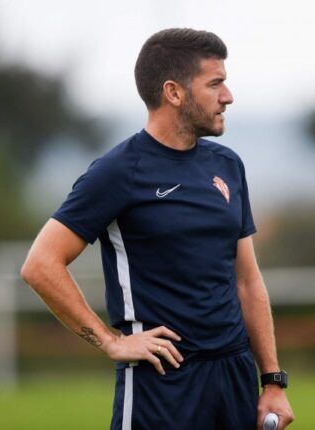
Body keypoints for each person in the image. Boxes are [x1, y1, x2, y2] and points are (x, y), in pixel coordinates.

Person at [20, 28, 294, 430]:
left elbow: (248, 281)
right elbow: (40, 264)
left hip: (235, 376)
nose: (228, 96)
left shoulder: (228, 166)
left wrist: (271, 379)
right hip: (163, 383)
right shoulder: (118, 172)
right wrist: (110, 341)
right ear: (174, 92)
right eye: (215, 83)